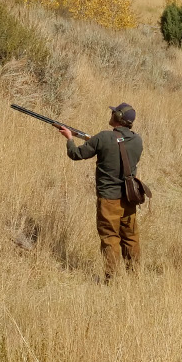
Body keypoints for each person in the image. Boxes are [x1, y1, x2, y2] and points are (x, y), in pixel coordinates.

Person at [58, 103, 143, 280]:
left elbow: (75, 154)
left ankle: (110, 278)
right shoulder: (137, 140)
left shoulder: (103, 138)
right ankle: (134, 276)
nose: (111, 114)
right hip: (129, 197)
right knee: (130, 236)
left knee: (110, 237)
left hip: (109, 200)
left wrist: (69, 138)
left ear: (118, 117)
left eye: (113, 112)